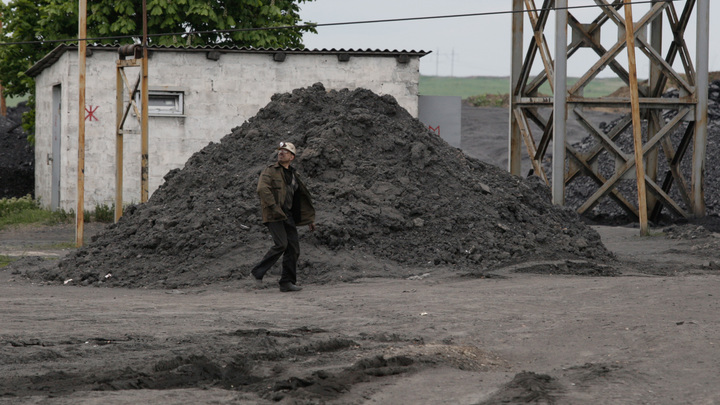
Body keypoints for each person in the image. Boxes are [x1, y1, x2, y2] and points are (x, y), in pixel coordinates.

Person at [250, 141, 316, 292]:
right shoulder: (270, 170)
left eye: (285, 152)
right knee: (281, 244)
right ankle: (257, 272)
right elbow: (262, 189)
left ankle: (286, 282)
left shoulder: (294, 175)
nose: (281, 153)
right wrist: (274, 206)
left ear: (292, 157)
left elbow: (300, 199)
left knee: (293, 249)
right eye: (280, 151)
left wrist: (309, 219)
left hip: (288, 215)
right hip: (274, 214)